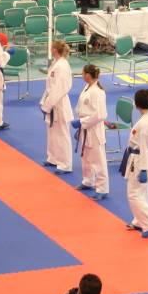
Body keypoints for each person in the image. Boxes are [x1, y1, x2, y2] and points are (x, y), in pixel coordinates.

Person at [123, 89, 148, 238]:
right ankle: (139, 220)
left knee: (133, 194)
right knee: (143, 192)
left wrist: (143, 169)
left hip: (139, 160)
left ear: (137, 103)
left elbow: (143, 146)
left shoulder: (144, 123)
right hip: (143, 157)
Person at [72, 64, 108, 201]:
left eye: (82, 73)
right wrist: (79, 119)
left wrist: (82, 121)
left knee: (98, 161)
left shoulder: (98, 92)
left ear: (87, 75)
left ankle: (102, 189)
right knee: (86, 157)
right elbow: (82, 106)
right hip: (85, 127)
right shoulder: (87, 87)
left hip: (94, 130)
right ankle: (88, 181)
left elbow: (100, 114)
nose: (82, 75)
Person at [40, 40, 74, 175]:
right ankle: (53, 158)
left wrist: (47, 105)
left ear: (55, 49)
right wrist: (44, 101)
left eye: (52, 47)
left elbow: (60, 89)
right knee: (52, 132)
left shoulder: (62, 66)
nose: (50, 49)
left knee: (62, 134)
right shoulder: (56, 63)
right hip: (52, 101)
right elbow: (50, 86)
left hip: (59, 102)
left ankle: (65, 164)